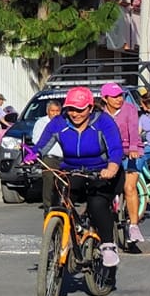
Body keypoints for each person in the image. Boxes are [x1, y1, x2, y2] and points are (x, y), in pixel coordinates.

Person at [36, 86, 127, 267]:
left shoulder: (104, 122)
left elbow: (116, 149)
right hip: (73, 170)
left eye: (80, 109)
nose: (74, 114)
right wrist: (30, 158)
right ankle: (62, 235)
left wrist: (112, 167)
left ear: (90, 108)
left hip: (102, 171)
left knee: (97, 203)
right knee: (59, 197)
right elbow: (40, 147)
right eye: (71, 109)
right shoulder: (59, 123)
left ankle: (108, 245)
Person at [100, 83, 145, 243]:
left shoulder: (130, 109)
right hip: (110, 155)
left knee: (129, 187)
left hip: (129, 152)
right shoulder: (101, 114)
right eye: (115, 96)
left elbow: (133, 129)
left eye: (121, 96)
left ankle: (133, 226)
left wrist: (133, 148)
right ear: (105, 99)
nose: (119, 99)